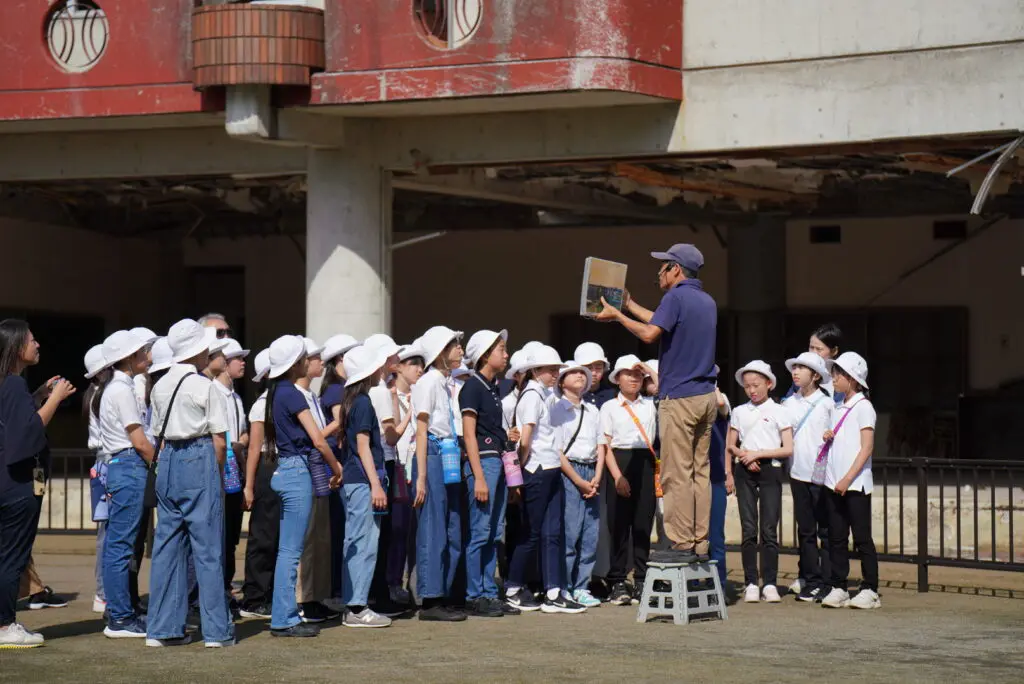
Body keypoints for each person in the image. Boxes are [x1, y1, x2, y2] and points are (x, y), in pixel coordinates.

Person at [597, 243, 718, 564]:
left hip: (680, 397)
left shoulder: (675, 297)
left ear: (675, 269)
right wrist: (629, 305)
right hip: (705, 395)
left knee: (676, 473)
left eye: (663, 267)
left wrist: (617, 316)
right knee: (699, 473)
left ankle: (681, 543)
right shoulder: (706, 301)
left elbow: (651, 334)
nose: (659, 272)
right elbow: (661, 322)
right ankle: (700, 541)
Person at [144, 319, 234, 648]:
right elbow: (220, 441)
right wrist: (217, 476)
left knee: (167, 547)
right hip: (199, 457)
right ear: (199, 350)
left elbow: (157, 434)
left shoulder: (159, 386)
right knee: (207, 549)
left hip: (168, 459)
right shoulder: (204, 386)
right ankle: (216, 632)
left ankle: (161, 629)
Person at [0, 320, 76, 648]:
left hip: (6, 479)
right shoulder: (13, 383)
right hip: (17, 483)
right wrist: (55, 399)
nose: (37, 344)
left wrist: (39, 395)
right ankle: (5, 625)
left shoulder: (8, 384)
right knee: (12, 557)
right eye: (32, 340)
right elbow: (28, 431)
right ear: (17, 347)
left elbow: (13, 421)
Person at [264, 335, 342, 637]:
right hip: (297, 470)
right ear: (294, 364)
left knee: (288, 550)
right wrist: (336, 468)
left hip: (287, 468)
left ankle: (282, 616)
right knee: (291, 551)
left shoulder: (277, 392)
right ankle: (284, 619)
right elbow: (318, 439)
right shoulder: (292, 394)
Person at [506, 345, 586, 615]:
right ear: (536, 371)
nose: (555, 374)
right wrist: (520, 470)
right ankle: (513, 587)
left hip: (550, 467)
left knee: (553, 533)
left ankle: (554, 592)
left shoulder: (544, 394)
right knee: (530, 533)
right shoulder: (531, 395)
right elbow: (526, 438)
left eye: (556, 369)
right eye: (551, 370)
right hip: (536, 469)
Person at [98, 330, 156, 638]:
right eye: (142, 352)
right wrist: (161, 466)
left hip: (125, 466)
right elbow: (140, 441)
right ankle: (120, 617)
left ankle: (121, 613)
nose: (147, 356)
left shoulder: (119, 387)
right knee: (121, 546)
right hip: (130, 465)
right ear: (129, 358)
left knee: (120, 545)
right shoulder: (121, 390)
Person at [459, 329, 518, 618]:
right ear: (484, 355)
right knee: (480, 531)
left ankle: (488, 592)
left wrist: (507, 435)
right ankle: (474, 595)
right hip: (483, 463)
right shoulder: (473, 387)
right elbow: (469, 434)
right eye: (501, 349)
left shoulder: (492, 387)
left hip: (496, 460)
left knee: (494, 532)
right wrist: (479, 476)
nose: (506, 355)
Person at [411, 325, 467, 622]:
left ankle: (444, 592)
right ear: (440, 352)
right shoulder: (428, 383)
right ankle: (430, 599)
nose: (460, 349)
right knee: (433, 528)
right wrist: (421, 477)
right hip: (432, 456)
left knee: (452, 527)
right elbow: (421, 430)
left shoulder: (444, 383)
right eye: (454, 345)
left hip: (447, 454)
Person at [726, 360, 793, 604]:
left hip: (770, 470)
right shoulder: (739, 411)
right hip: (745, 470)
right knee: (748, 528)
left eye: (756, 385)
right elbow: (731, 444)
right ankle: (751, 582)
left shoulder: (780, 411)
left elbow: (787, 448)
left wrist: (758, 455)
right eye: (747, 386)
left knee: (769, 528)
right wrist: (742, 459)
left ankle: (770, 582)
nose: (752, 390)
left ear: (769, 384)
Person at [820, 352, 880, 610]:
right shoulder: (837, 406)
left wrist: (847, 478)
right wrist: (828, 435)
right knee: (837, 536)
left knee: (862, 537)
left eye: (839, 374)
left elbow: (867, 447)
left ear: (853, 379)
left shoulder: (864, 407)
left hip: (855, 483)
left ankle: (870, 589)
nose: (834, 378)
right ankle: (839, 586)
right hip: (834, 482)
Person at [338, 345, 392, 628]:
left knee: (357, 541)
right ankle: (357, 607)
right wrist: (376, 485)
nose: (381, 369)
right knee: (364, 543)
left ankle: (354, 604)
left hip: (356, 480)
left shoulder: (353, 401)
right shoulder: (362, 403)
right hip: (362, 481)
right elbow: (363, 446)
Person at [600, 355, 659, 606]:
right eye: (628, 374)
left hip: (646, 461)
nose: (634, 379)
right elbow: (605, 444)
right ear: (617, 379)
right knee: (619, 524)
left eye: (638, 375)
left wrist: (647, 369)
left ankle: (642, 577)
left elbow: (664, 390)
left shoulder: (651, 404)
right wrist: (617, 476)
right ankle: (617, 580)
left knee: (643, 523)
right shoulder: (609, 407)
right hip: (619, 461)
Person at [362, 334, 411, 617]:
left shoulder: (377, 389)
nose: (398, 359)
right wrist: (411, 415)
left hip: (382, 463)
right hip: (385, 463)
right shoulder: (379, 391)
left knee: (381, 532)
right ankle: (378, 596)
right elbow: (391, 437)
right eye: (393, 355)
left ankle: (376, 593)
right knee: (383, 533)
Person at [783, 351, 834, 603]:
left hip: (821, 475)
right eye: (795, 367)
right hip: (797, 473)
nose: (795, 372)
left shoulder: (827, 404)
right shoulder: (788, 404)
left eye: (802, 368)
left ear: (815, 376)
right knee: (805, 530)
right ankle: (810, 580)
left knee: (825, 530)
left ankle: (828, 581)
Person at [554, 360, 602, 608]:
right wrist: (578, 481)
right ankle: (565, 586)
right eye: (573, 373)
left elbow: (601, 444)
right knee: (570, 532)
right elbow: (558, 451)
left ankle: (582, 586)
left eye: (582, 373)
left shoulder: (592, 410)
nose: (580, 376)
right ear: (561, 381)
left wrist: (597, 476)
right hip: (569, 471)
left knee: (590, 534)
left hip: (591, 471)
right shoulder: (556, 409)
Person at [318, 333, 359, 604]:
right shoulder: (336, 389)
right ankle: (335, 589)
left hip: (339, 460)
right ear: (342, 358)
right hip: (334, 463)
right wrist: (320, 436)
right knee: (338, 527)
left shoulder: (341, 387)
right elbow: (337, 422)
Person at [240, 349, 275, 620]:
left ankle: (269, 594)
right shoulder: (262, 405)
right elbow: (254, 448)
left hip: (278, 466)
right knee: (263, 535)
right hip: (266, 466)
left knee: (276, 537)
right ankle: (254, 598)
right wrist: (249, 486)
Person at [388, 342, 424, 605]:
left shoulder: (421, 394)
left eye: (421, 364)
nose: (419, 369)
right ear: (398, 367)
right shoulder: (388, 394)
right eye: (413, 364)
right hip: (397, 469)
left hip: (417, 470)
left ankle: (412, 588)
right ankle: (392, 584)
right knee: (396, 531)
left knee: (415, 532)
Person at [215, 339, 249, 609]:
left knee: (232, 532)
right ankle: (218, 589)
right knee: (220, 532)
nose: (243, 363)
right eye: (238, 358)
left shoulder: (236, 397)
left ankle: (226, 586)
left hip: (234, 469)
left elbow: (243, 432)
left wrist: (240, 443)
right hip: (220, 470)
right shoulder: (213, 393)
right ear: (225, 363)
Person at [84, 344, 113, 614]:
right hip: (108, 463)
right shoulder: (103, 394)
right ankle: (104, 593)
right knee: (108, 532)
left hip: (101, 464)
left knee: (107, 532)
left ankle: (104, 592)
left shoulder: (95, 393)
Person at [708, 376, 731, 589]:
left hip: (715, 477)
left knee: (716, 536)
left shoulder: (720, 398)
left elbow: (722, 404)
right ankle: (694, 583)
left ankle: (718, 585)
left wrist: (712, 385)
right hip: (690, 478)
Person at [573, 342, 615, 408]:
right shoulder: (570, 395)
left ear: (604, 369)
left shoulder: (613, 395)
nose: (594, 373)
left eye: (598, 368)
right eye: (589, 368)